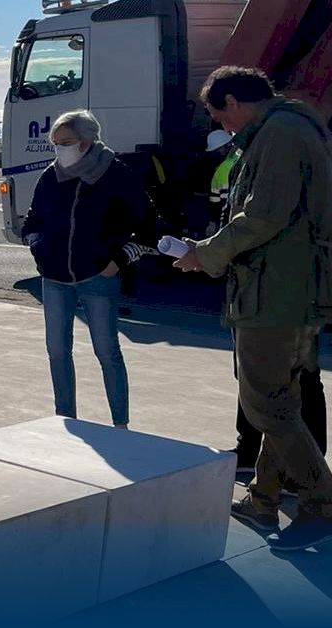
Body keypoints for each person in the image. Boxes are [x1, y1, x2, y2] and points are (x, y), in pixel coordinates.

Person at [174, 66, 332, 551]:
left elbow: (264, 215)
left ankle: (322, 503)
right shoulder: (285, 128)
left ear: (234, 102)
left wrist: (206, 253)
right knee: (280, 399)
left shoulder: (280, 133)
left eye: (219, 115)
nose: (222, 126)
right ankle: (264, 499)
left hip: (277, 292)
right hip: (286, 288)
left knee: (266, 403)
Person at [21, 110, 149, 429]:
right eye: (55, 143)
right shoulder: (51, 176)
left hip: (98, 277)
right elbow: (33, 219)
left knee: (107, 351)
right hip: (54, 278)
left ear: (86, 141)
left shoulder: (115, 173)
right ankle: (65, 418)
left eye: (65, 142)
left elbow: (148, 225)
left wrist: (119, 260)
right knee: (57, 351)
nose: (58, 149)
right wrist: (38, 248)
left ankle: (121, 424)